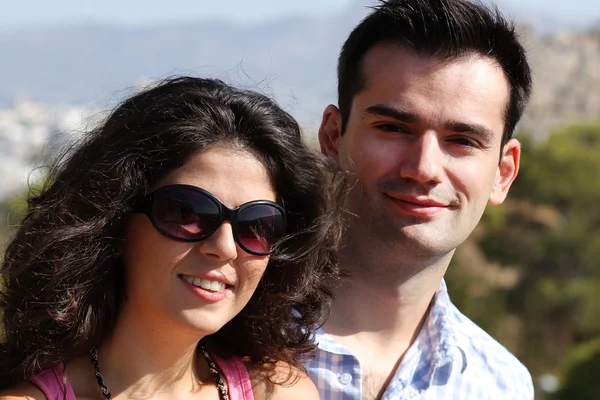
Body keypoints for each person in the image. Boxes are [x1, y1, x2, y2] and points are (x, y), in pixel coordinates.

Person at [0, 76, 344, 400]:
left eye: (257, 225)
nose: (224, 248)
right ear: (116, 220)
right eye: (188, 213)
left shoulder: (279, 392)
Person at [308, 0, 534, 398]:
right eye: (393, 128)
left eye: (462, 140)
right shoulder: (214, 333)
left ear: (503, 173)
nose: (423, 167)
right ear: (332, 137)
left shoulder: (501, 385)